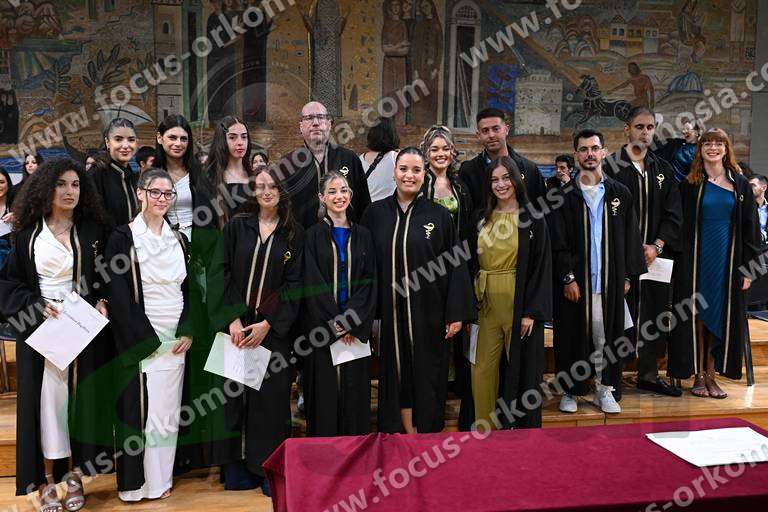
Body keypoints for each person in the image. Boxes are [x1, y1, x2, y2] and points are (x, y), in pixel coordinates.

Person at [0, 157, 110, 509]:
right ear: (46, 188)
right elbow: (9, 283)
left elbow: (106, 276)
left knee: (79, 405)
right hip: (41, 331)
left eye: (75, 184)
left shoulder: (93, 231)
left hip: (81, 329)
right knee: (46, 405)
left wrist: (103, 300)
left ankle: (75, 477)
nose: (69, 191)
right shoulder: (27, 233)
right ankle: (46, 482)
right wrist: (34, 306)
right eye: (61, 184)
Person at [361, 147, 475, 434]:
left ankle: (425, 435)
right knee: (395, 372)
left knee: (426, 373)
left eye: (416, 170)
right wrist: (365, 313)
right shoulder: (375, 214)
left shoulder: (439, 215)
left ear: (424, 175)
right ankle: (395, 434)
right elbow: (363, 267)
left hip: (429, 313)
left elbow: (456, 266)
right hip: (389, 315)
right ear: (394, 173)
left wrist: (455, 313)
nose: (409, 175)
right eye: (403, 169)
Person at [209, 165, 303, 495]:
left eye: (272, 186)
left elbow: (295, 284)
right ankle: (235, 469)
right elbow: (220, 272)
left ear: (282, 191)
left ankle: (266, 470)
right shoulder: (237, 227)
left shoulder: (294, 234)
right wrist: (233, 319)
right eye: (260, 186)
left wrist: (268, 323)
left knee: (271, 403)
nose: (266, 192)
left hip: (271, 332)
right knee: (232, 399)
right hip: (235, 330)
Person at [105, 169, 193, 501]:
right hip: (141, 335)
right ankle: (135, 486)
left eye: (168, 194)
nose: (162, 199)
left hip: (175, 337)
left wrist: (187, 329)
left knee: (166, 413)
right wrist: (145, 338)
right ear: (140, 193)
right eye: (155, 192)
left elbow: (190, 289)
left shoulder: (178, 238)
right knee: (139, 412)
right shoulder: (122, 237)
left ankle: (160, 480)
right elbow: (117, 293)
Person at [551, 129, 646, 414]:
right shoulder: (562, 196)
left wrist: (627, 276)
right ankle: (571, 391)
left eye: (594, 148)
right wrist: (567, 277)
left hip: (609, 283)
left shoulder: (620, 194)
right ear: (576, 154)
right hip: (576, 284)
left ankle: (605, 390)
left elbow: (630, 238)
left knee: (607, 339)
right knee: (572, 338)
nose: (589, 154)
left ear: (604, 151)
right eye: (583, 149)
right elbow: (557, 241)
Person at [669, 129, 760, 398]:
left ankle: (711, 375)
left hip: (728, 261)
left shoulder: (740, 184)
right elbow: (678, 225)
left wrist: (750, 270)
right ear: (700, 149)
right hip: (697, 260)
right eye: (707, 143)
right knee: (697, 314)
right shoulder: (690, 184)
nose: (713, 147)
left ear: (726, 149)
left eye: (719, 143)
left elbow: (751, 229)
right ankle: (698, 375)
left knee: (719, 315)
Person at [605, 107, 683, 397]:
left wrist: (657, 246)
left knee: (655, 314)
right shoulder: (610, 166)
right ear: (627, 129)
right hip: (620, 258)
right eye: (639, 126)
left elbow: (673, 213)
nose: (645, 132)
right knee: (618, 316)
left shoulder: (662, 168)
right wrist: (630, 250)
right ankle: (611, 379)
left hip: (655, 258)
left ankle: (648, 374)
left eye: (650, 127)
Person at [470, 156, 552, 430]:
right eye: (494, 180)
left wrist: (531, 312)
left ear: (516, 179)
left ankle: (521, 435)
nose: (501, 184)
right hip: (485, 302)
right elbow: (468, 262)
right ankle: (484, 428)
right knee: (482, 369)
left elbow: (541, 266)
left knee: (522, 372)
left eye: (506, 178)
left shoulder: (533, 218)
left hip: (519, 302)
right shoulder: (480, 218)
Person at [303, 170, 377, 436]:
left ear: (351, 195)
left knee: (354, 395)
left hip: (355, 333)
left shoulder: (364, 235)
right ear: (321, 197)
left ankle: (355, 452)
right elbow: (312, 283)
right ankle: (325, 454)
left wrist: (350, 322)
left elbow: (369, 282)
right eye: (332, 191)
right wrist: (335, 323)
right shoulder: (312, 236)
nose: (339, 196)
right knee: (324, 397)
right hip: (323, 331)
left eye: (344, 190)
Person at [420, 125, 474, 430]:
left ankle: (452, 387)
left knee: (455, 330)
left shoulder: (460, 187)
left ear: (452, 152)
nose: (440, 154)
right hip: (425, 271)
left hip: (455, 267)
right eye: (434, 149)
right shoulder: (420, 184)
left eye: (445, 149)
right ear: (426, 153)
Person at [278, 101, 371, 228]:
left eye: (321, 117)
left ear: (329, 124)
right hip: (302, 237)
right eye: (309, 118)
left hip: (345, 236)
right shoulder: (287, 164)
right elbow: (281, 210)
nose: (316, 122)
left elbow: (364, 205)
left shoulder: (350, 159)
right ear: (301, 126)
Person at [459, 108, 546, 214]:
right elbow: (466, 214)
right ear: (478, 135)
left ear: (506, 130)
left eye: (496, 129)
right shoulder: (468, 171)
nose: (491, 135)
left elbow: (542, 210)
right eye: (485, 131)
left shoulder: (529, 169)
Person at [89, 118, 139, 227]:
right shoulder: (96, 174)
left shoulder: (133, 176)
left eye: (131, 140)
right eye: (118, 139)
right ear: (107, 142)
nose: (125, 146)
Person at [207, 116, 255, 224]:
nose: (240, 142)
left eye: (244, 137)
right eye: (232, 137)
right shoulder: (210, 178)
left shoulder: (254, 177)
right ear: (222, 140)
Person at [360, 116, 399, 202]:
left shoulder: (360, 159)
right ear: (392, 135)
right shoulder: (395, 157)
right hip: (387, 208)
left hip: (365, 208)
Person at [750, 175, 768, 249]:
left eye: (752, 185)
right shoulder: (745, 207)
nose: (749, 188)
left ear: (764, 188)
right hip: (750, 250)